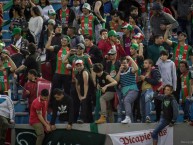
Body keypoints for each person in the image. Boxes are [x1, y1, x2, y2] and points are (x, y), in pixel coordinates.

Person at [46, 34, 72, 102]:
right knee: (55, 91)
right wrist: (50, 37)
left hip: (67, 74)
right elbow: (47, 47)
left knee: (67, 92)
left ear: (68, 42)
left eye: (65, 40)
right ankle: (54, 105)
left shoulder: (71, 51)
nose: (63, 41)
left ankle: (66, 105)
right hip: (57, 73)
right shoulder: (58, 48)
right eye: (62, 40)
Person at [115, 56, 139, 123]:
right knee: (129, 107)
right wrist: (119, 70)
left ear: (128, 63)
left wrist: (131, 59)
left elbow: (136, 68)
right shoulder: (121, 72)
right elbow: (116, 80)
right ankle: (131, 122)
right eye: (122, 64)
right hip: (125, 92)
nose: (124, 65)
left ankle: (127, 117)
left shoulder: (131, 69)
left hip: (133, 90)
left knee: (126, 100)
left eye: (125, 63)